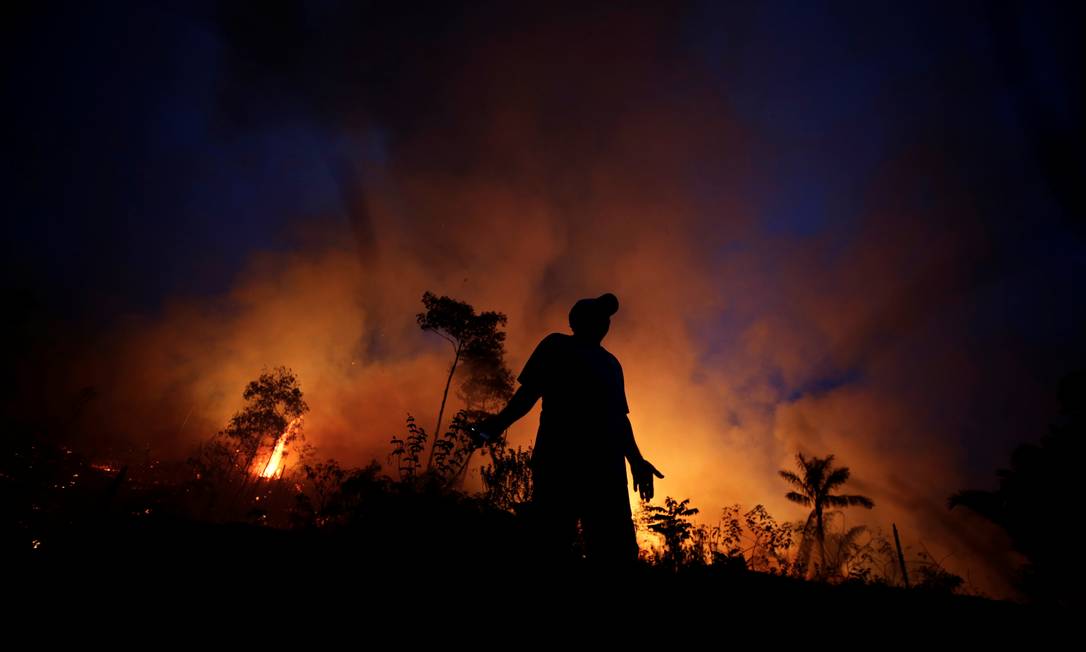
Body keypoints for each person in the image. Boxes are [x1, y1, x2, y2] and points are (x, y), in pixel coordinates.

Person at [475, 292, 663, 567]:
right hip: (560, 463)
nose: (605, 323)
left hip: (606, 471)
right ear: (578, 321)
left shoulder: (611, 364)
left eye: (606, 318)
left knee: (616, 551)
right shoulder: (556, 346)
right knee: (552, 543)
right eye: (598, 316)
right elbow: (527, 396)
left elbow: (619, 418)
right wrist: (494, 426)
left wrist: (636, 461)